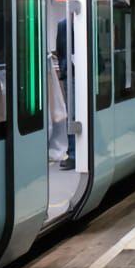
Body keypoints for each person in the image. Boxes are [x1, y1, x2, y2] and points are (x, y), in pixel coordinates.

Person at [55, 14, 76, 170]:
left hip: (86, 74)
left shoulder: (91, 19)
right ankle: (73, 154)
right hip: (71, 74)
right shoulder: (62, 24)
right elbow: (60, 50)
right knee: (72, 113)